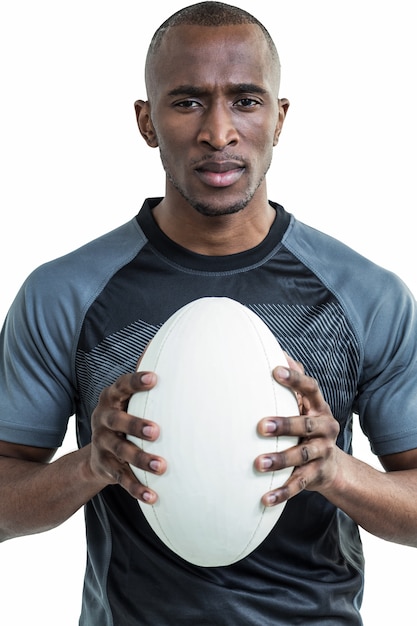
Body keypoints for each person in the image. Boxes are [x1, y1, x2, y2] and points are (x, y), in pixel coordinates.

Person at [0, 1, 416, 624]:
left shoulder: (365, 295)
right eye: (187, 101)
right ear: (146, 121)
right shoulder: (65, 292)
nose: (217, 133)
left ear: (280, 118)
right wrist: (91, 465)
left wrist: (336, 471)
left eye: (246, 101)